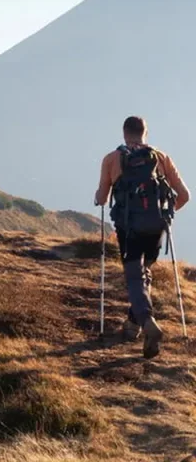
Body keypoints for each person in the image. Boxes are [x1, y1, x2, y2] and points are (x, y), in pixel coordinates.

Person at [95, 116, 189, 359]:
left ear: (125, 133)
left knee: (135, 276)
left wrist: (99, 196)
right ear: (145, 132)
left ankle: (147, 322)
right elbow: (184, 195)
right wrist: (165, 214)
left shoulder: (113, 159)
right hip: (156, 228)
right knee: (144, 273)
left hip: (130, 228)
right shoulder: (160, 157)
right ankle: (132, 326)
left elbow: (103, 197)